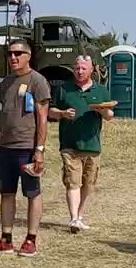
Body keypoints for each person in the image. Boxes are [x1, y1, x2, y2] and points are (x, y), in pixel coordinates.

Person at [0, 38, 51, 257]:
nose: (13, 57)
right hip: (5, 147)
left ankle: (31, 240)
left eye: (18, 54)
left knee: (32, 193)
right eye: (10, 54)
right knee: (6, 192)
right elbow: (3, 115)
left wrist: (39, 150)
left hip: (27, 147)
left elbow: (42, 119)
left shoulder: (38, 82)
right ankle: (6, 239)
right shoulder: (6, 83)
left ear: (28, 56)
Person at [48, 55, 114, 233]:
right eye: (77, 68)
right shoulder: (64, 89)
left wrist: (103, 111)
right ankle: (73, 218)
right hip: (69, 145)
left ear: (92, 70)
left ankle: (80, 215)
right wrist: (62, 113)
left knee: (88, 184)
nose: (79, 71)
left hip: (92, 146)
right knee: (72, 182)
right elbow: (51, 111)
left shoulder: (101, 91)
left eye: (83, 68)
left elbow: (110, 116)